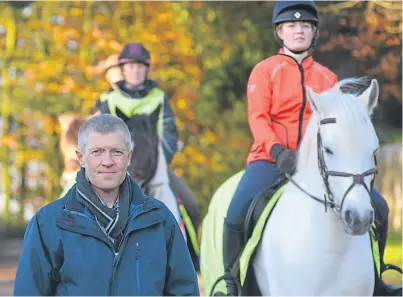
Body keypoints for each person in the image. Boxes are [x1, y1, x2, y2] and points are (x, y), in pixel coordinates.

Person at [222, 1, 396, 296]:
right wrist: (278, 152)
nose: (298, 30)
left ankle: (377, 278)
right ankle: (232, 283)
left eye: (305, 26)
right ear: (280, 32)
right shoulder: (265, 71)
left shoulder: (327, 78)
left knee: (378, 206)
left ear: (314, 32)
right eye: (291, 25)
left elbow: (337, 126)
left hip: (318, 163)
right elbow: (258, 117)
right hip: (270, 158)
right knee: (238, 210)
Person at [14, 114, 199, 296]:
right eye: (97, 152)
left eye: (116, 152)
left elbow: (183, 291)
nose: (107, 161)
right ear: (81, 158)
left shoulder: (159, 220)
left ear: (129, 156)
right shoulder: (48, 223)